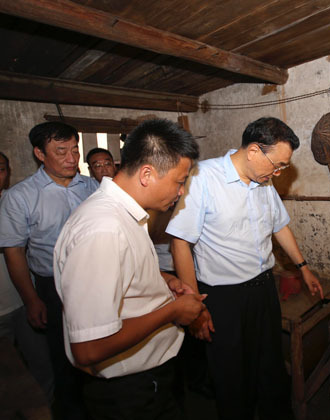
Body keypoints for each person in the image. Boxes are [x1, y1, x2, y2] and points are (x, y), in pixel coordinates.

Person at [167, 117, 324, 420]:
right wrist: (195, 304)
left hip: (263, 289)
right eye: (277, 164)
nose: (278, 172)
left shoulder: (264, 180)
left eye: (283, 167)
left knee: (270, 368)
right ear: (253, 151)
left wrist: (303, 267)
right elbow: (180, 243)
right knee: (232, 378)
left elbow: (280, 226)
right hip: (223, 298)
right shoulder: (203, 178)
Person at [53, 118, 206, 420]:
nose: (181, 193)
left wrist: (163, 280)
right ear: (147, 174)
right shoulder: (104, 228)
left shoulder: (124, 215)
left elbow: (122, 271)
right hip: (128, 393)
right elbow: (88, 347)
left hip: (148, 380)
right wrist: (172, 312)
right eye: (179, 181)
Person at [0, 122, 97, 419]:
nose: (72, 158)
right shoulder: (21, 196)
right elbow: (14, 252)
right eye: (61, 151)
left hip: (94, 280)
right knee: (62, 355)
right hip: (52, 286)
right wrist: (31, 300)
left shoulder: (92, 187)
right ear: (39, 154)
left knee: (97, 346)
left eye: (74, 150)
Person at [0, 151, 54, 401]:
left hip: (21, 302)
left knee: (42, 368)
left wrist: (32, 299)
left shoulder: (14, 200)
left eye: (1, 168)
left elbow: (19, 253)